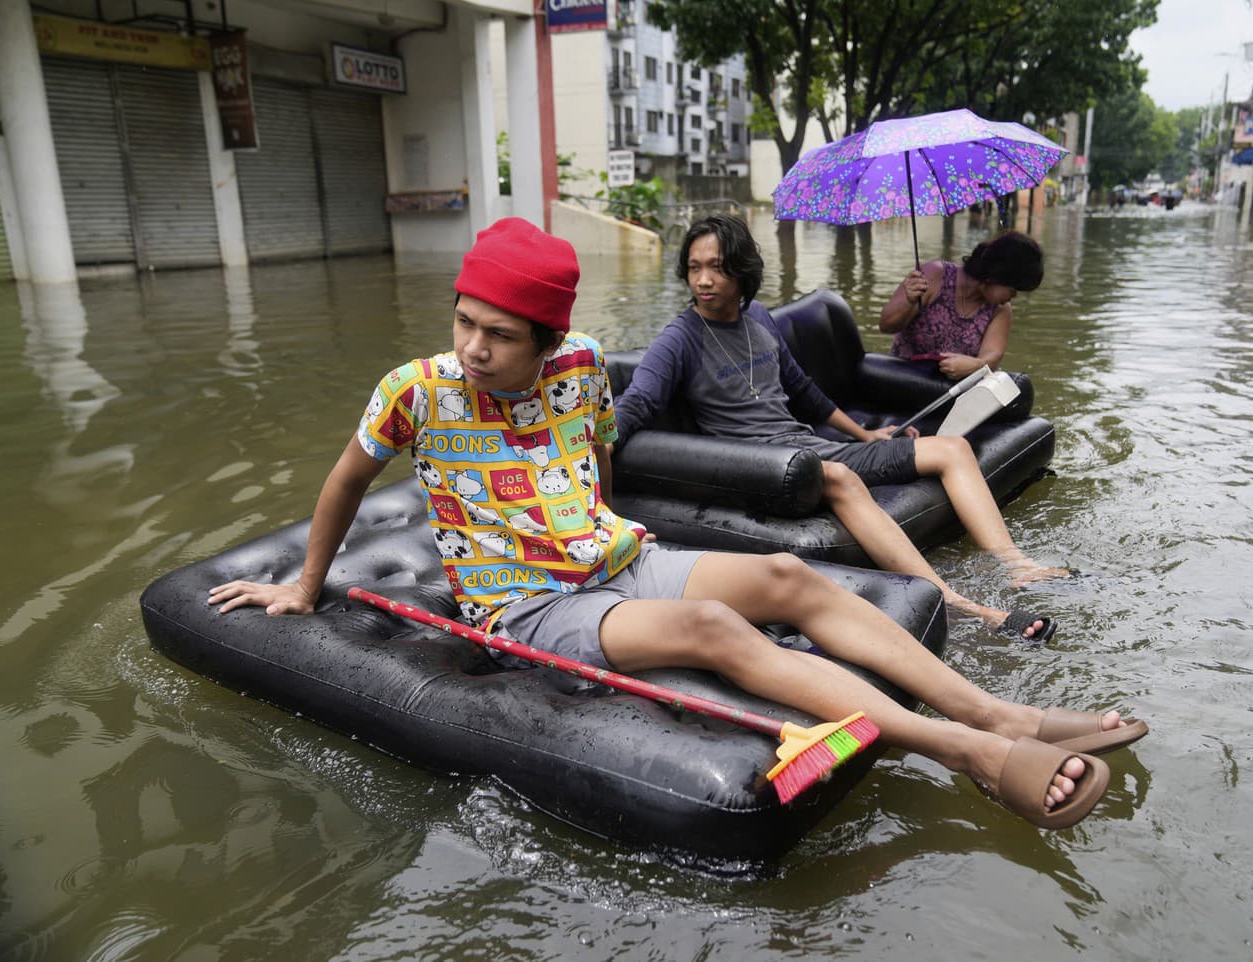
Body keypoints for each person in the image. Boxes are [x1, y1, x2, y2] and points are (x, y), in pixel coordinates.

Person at [208, 216, 1145, 830]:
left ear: (546, 339)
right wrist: (304, 586)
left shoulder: (579, 363)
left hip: (610, 559)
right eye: (464, 323)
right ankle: (973, 751)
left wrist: (604, 526)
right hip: (526, 604)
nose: (473, 348)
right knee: (714, 626)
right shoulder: (418, 391)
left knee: (789, 576)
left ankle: (998, 710)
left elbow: (600, 451)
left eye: (498, 334)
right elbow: (344, 479)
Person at [614, 214, 1065, 641]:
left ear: (741, 268)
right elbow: (635, 405)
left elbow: (803, 391)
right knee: (839, 477)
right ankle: (953, 602)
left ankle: (1015, 565)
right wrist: (586, 453)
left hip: (807, 447)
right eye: (694, 268)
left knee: (951, 448)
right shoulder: (679, 338)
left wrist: (866, 435)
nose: (703, 280)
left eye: (716, 267)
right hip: (763, 468)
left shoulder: (758, 319)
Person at [880, 230, 1044, 380]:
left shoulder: (1000, 309)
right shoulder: (933, 275)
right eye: (1013, 290)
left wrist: (976, 365)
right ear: (996, 276)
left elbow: (992, 355)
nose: (1012, 297)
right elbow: (886, 326)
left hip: (950, 391)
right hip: (904, 379)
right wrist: (909, 302)